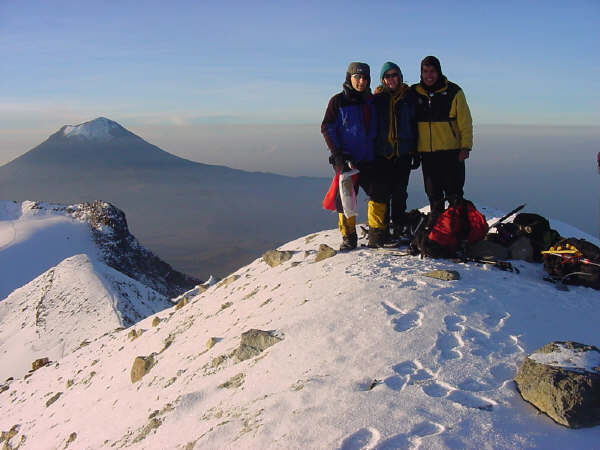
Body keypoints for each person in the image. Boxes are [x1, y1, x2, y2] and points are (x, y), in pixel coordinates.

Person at [321, 62, 389, 250]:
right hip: (348, 159)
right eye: (357, 77)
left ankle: (376, 234)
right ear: (349, 78)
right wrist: (338, 155)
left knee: (379, 192)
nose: (361, 81)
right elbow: (327, 127)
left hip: (369, 157)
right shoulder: (338, 101)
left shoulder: (371, 101)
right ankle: (349, 236)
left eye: (365, 77)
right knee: (347, 199)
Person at [411, 56, 473, 227]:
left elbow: (465, 122)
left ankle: (458, 229)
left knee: (454, 193)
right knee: (433, 193)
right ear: (421, 73)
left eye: (432, 71)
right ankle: (439, 230)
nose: (429, 75)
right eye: (425, 71)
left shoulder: (454, 92)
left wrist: (465, 147)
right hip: (427, 153)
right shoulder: (414, 92)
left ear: (439, 72)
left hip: (451, 152)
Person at [373, 61, 419, 240]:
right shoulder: (377, 99)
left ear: (400, 77)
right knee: (383, 191)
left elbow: (416, 124)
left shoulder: (409, 97)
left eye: (395, 75)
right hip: (383, 152)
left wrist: (416, 151)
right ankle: (382, 227)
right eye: (388, 76)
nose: (391, 79)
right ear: (383, 80)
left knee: (400, 191)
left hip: (404, 152)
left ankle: (398, 223)